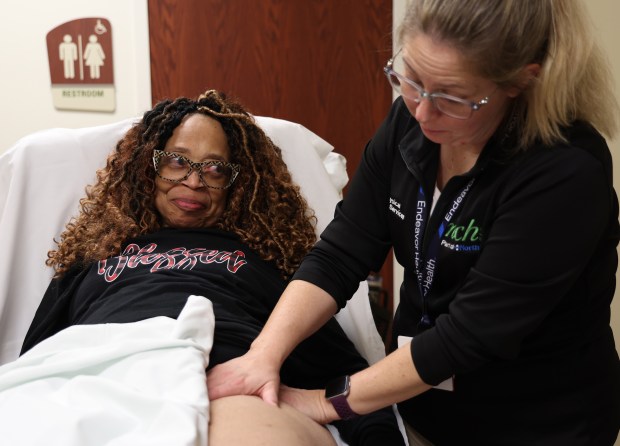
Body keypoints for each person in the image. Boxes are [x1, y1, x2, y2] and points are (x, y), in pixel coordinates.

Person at [206, 1, 620, 445]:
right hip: (419, 408)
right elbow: (342, 252)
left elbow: (466, 337)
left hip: (534, 424)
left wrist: (328, 402)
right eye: (411, 81)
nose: (422, 112)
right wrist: (263, 355)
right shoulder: (411, 123)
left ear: (522, 79)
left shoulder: (564, 172)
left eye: (452, 97)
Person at [17, 90, 406, 446]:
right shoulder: (94, 257)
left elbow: (343, 375)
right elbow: (37, 363)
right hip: (99, 376)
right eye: (175, 162)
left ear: (238, 184)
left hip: (228, 387)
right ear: (147, 168)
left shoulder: (269, 264)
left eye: (215, 169)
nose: (193, 181)